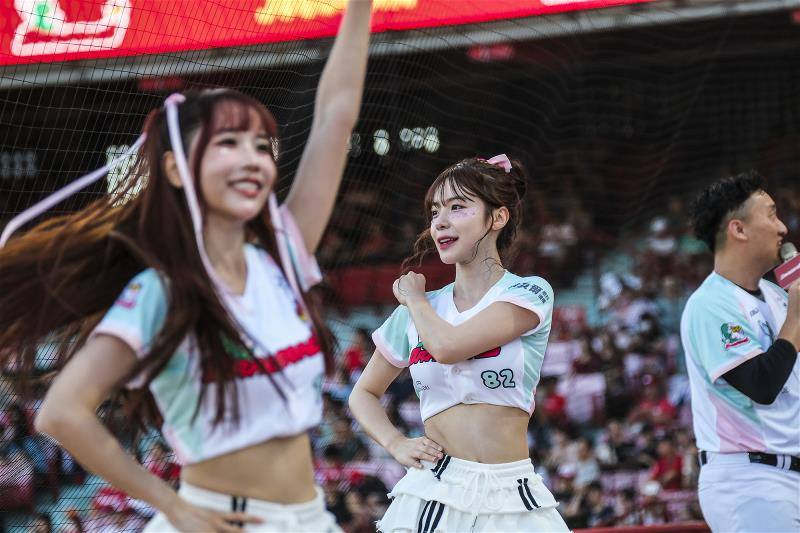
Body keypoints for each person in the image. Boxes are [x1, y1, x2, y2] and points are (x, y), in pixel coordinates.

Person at [0, 1, 372, 530]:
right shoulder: (161, 292)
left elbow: (337, 115)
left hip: (308, 518)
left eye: (261, 145)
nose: (252, 159)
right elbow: (61, 411)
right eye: (228, 143)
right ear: (175, 168)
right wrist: (170, 504)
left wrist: (360, 6)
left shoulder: (283, 253)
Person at [349, 155, 569, 531]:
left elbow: (449, 346)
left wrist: (416, 300)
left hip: (512, 493)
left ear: (497, 218)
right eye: (435, 212)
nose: (441, 222)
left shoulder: (529, 292)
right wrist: (396, 443)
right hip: (435, 489)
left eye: (458, 207)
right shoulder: (416, 311)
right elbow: (363, 394)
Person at [681, 171, 800, 532]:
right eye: (771, 214)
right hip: (751, 482)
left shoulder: (779, 296)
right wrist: (797, 315)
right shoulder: (710, 303)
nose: (783, 228)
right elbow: (761, 385)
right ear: (739, 229)